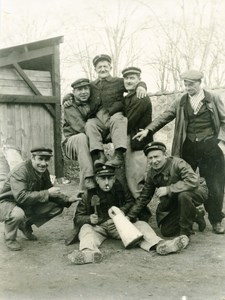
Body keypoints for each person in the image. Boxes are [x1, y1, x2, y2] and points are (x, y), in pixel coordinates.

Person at [133, 70, 225, 234]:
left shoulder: (213, 98)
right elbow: (165, 116)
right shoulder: (181, 101)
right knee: (183, 181)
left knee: (215, 185)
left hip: (210, 146)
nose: (188, 87)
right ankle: (192, 213)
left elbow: (224, 121)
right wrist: (148, 130)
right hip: (188, 146)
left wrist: (220, 142)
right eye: (186, 84)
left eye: (192, 84)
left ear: (200, 82)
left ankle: (216, 219)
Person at [67, 163, 189, 265]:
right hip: (99, 227)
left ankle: (160, 245)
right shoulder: (88, 194)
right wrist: (89, 218)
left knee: (140, 225)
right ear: (96, 180)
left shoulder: (120, 188)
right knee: (85, 228)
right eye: (103, 179)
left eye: (109, 178)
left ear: (114, 179)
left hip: (119, 225)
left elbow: (131, 202)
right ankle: (89, 252)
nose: (106, 182)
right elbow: (78, 217)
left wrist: (122, 212)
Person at [0, 147, 79, 251]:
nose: (43, 163)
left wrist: (67, 199)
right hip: (8, 202)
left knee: (56, 207)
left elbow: (49, 190)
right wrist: (47, 193)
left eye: (46, 160)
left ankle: (25, 225)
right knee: (17, 214)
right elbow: (21, 197)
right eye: (40, 159)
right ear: (32, 158)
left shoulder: (43, 171)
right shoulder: (21, 171)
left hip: (26, 202)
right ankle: (10, 239)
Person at [126, 142, 208, 238]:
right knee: (167, 231)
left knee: (184, 195)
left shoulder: (178, 163)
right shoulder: (151, 174)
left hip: (197, 191)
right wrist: (130, 216)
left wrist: (168, 189)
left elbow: (193, 181)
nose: (154, 161)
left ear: (165, 155)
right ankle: (195, 214)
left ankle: (185, 232)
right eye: (150, 158)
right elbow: (144, 196)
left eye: (157, 156)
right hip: (176, 199)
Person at [84, 54, 147, 168]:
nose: (103, 69)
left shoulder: (118, 81)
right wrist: (67, 97)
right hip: (98, 117)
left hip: (114, 114)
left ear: (110, 68)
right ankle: (100, 155)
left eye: (105, 66)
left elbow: (133, 82)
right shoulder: (91, 85)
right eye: (99, 67)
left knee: (119, 119)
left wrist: (142, 86)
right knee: (90, 124)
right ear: (95, 70)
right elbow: (79, 92)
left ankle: (118, 155)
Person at [122, 66, 153, 198]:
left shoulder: (140, 96)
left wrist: (109, 135)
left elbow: (129, 121)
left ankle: (141, 213)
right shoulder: (129, 96)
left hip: (137, 141)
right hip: (130, 139)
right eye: (126, 78)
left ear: (139, 80)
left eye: (132, 78)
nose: (128, 81)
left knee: (136, 179)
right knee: (128, 178)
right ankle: (133, 210)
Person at [62, 78, 95, 190]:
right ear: (74, 92)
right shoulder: (69, 105)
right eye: (79, 89)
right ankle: (88, 177)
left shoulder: (93, 103)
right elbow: (81, 127)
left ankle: (85, 197)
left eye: (86, 88)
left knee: (91, 161)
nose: (83, 92)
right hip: (72, 142)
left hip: (90, 141)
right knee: (82, 138)